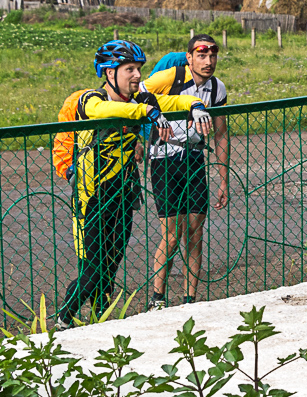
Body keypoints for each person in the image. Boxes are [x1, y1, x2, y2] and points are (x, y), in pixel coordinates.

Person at [57, 40, 211, 330]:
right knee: (92, 270)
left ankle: (99, 324)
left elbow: (174, 101)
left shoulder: (140, 101)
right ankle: (63, 320)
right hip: (92, 197)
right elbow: (104, 111)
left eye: (139, 69)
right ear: (109, 72)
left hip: (125, 194)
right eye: (129, 69)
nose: (137, 75)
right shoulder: (91, 98)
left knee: (110, 270)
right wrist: (147, 112)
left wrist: (196, 106)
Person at [141, 34, 228, 309]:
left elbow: (222, 135)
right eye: (201, 55)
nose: (208, 61)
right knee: (172, 233)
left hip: (194, 159)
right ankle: (158, 298)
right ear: (189, 57)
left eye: (212, 55)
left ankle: (190, 299)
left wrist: (223, 180)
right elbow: (138, 93)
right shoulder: (172, 76)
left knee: (194, 231)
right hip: (165, 158)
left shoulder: (217, 89)